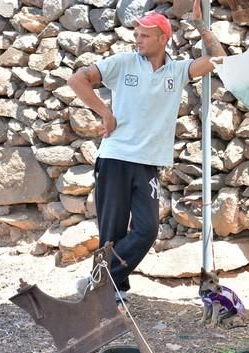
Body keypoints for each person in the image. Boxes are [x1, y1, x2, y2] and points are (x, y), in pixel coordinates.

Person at [68, 0, 226, 302]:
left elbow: (220, 59)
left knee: (147, 229)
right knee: (111, 231)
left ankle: (100, 281)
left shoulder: (178, 71)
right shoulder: (123, 63)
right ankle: (114, 290)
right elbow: (77, 79)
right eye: (136, 33)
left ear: (163, 38)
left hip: (148, 164)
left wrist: (200, 26)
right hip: (115, 158)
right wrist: (105, 113)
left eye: (144, 35)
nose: (137, 39)